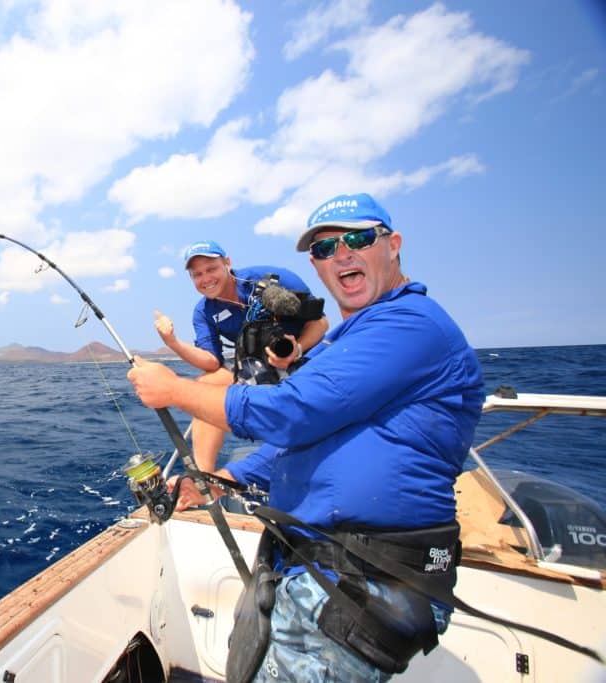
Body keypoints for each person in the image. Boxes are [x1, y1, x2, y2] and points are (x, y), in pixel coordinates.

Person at [128, 193, 484, 681]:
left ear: (394, 244)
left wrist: (173, 390)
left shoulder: (409, 324)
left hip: (363, 577)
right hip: (313, 563)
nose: (341, 255)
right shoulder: (352, 337)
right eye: (323, 249)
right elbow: (299, 442)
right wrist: (224, 476)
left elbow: (292, 414)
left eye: (357, 239)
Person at [154, 240, 328, 470]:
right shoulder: (204, 311)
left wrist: (296, 350)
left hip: (306, 356)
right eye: (197, 274)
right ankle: (205, 479)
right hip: (259, 367)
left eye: (211, 269)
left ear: (227, 263)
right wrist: (172, 342)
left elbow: (320, 322)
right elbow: (211, 361)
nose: (205, 279)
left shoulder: (274, 277)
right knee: (208, 383)